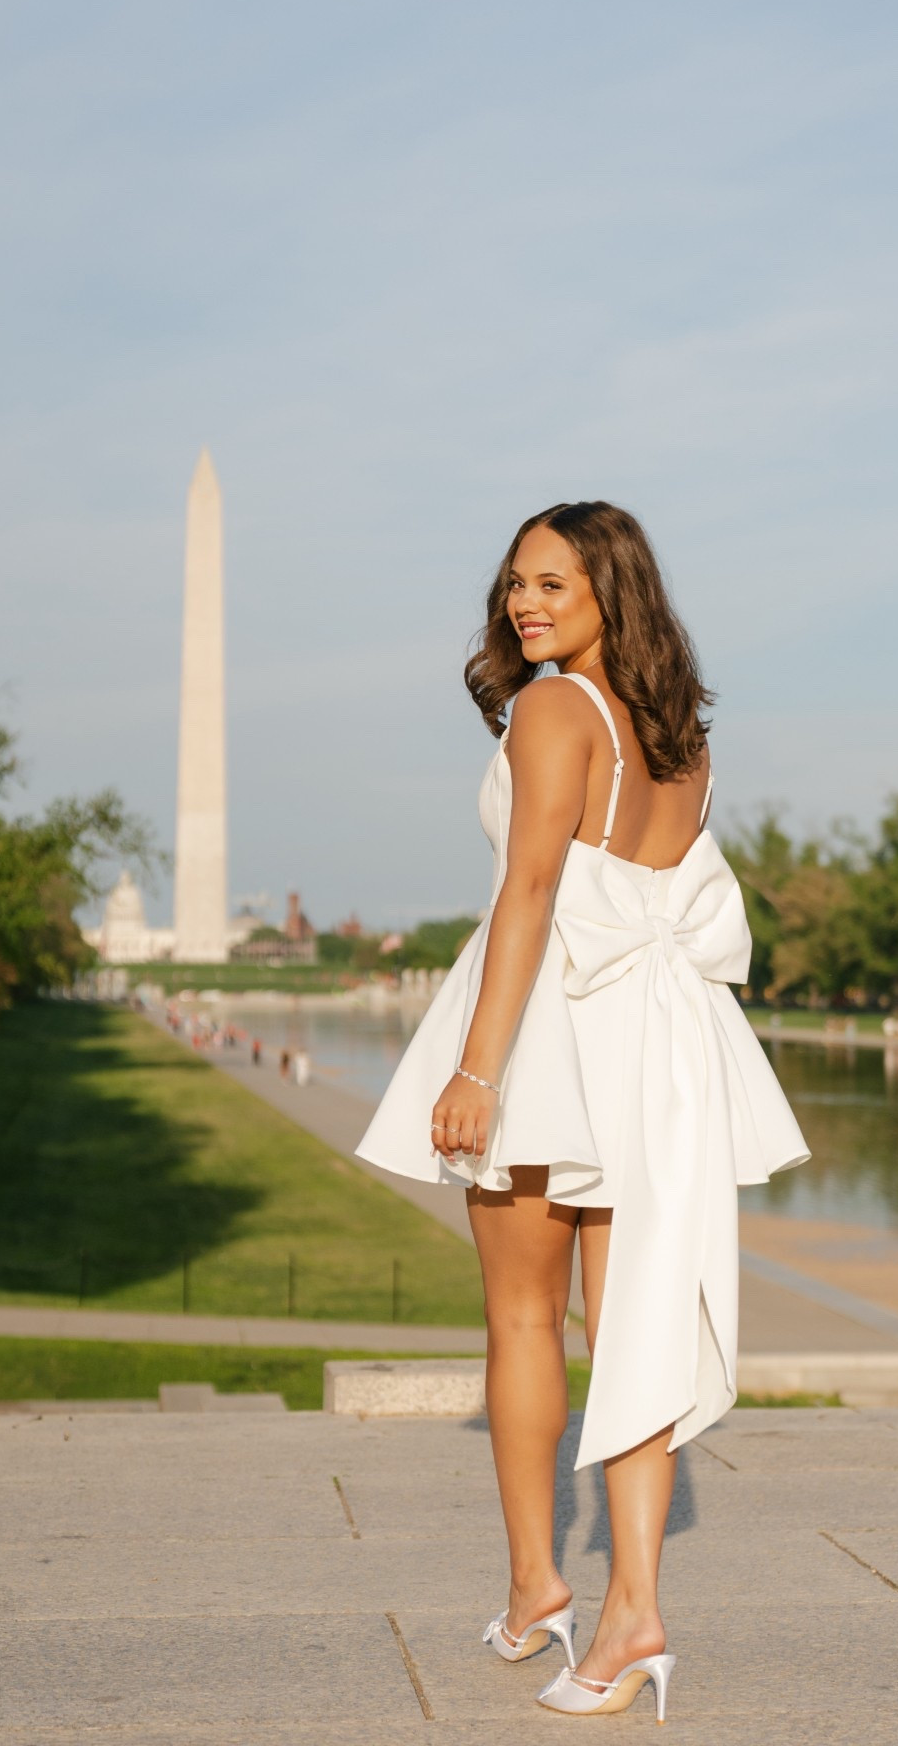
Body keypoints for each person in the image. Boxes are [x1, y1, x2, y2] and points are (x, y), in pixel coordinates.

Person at [357, 501, 808, 1723]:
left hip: (558, 1024)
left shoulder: (554, 707)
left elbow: (535, 889)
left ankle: (537, 1588)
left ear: (613, 589)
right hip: (656, 1043)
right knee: (635, 1329)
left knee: (519, 1317)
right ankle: (635, 1611)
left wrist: (477, 1069)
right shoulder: (687, 741)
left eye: (553, 581)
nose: (524, 603)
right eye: (514, 582)